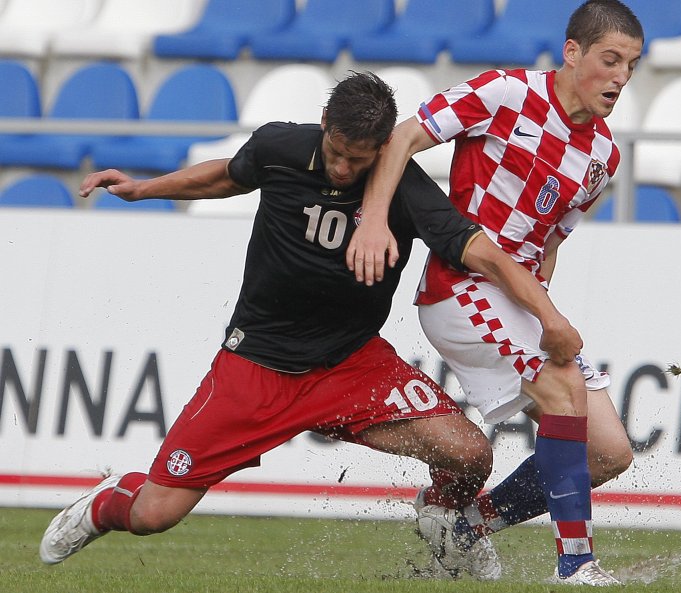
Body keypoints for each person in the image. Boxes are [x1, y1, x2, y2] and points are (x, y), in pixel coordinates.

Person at [38, 71, 584, 570]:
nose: (344, 168)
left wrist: (548, 316)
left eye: (359, 160)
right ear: (324, 122)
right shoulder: (279, 146)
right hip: (257, 365)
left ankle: (442, 516)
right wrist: (144, 188)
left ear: (384, 147)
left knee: (470, 455)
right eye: (337, 153)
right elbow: (228, 176)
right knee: (153, 514)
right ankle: (103, 504)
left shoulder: (403, 186)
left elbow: (480, 251)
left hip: (351, 365)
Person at [349, 0, 643, 586]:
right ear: (573, 52)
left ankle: (465, 526)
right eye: (610, 60)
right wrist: (374, 218)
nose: (621, 77)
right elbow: (403, 138)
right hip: (460, 286)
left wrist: (538, 307)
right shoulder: (506, 93)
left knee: (609, 452)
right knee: (561, 389)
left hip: (518, 298)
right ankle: (576, 565)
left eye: (631, 66)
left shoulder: (602, 156)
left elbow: (551, 240)